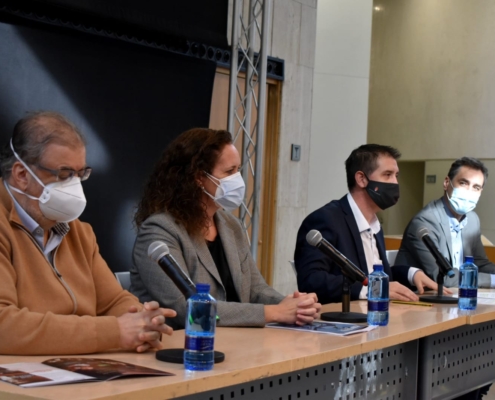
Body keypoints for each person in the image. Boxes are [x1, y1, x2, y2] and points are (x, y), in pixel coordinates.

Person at [0, 111, 176, 355]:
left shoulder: (79, 232)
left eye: (80, 174)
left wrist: (144, 323)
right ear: (21, 175)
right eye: (64, 174)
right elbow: (4, 326)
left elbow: (113, 301)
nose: (74, 186)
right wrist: (115, 332)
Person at [131, 128, 321, 329]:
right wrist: (274, 312)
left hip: (234, 343)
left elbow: (255, 289)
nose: (237, 179)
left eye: (238, 170)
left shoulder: (231, 225)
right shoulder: (160, 230)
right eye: (229, 171)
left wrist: (293, 305)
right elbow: (185, 308)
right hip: (182, 349)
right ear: (198, 178)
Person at [294, 144, 446, 305]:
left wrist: (412, 273)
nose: (395, 182)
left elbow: (371, 275)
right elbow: (311, 280)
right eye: (387, 175)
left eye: (396, 175)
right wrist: (374, 289)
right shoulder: (325, 219)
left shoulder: (374, 223)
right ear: (361, 179)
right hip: (342, 320)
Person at [396, 157, 495, 288]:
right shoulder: (425, 221)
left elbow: (479, 262)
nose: (469, 191)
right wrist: (493, 281)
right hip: (422, 300)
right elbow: (445, 277)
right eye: (464, 183)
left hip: (459, 295)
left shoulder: (472, 219)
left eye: (476, 187)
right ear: (446, 183)